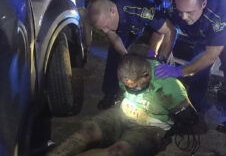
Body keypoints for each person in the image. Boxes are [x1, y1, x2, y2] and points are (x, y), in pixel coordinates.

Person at [47, 44, 198, 156]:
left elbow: (190, 118)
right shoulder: (127, 71)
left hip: (150, 127)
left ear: (146, 75)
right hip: (123, 113)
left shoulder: (169, 86)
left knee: (118, 152)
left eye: (135, 86)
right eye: (127, 86)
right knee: (87, 132)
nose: (130, 89)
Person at [155, 0, 226, 132]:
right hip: (202, 36)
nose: (183, 17)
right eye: (180, 11)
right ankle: (194, 115)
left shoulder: (218, 18)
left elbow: (211, 55)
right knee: (198, 74)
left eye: (189, 12)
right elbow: (165, 30)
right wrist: (159, 56)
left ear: (203, 4)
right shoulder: (176, 7)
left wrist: (179, 71)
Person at [87, 0, 176, 109]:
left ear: (113, 11)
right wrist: (126, 57)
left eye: (106, 26)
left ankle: (165, 98)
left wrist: (159, 58)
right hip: (123, 25)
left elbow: (168, 31)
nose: (105, 31)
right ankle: (111, 93)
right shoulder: (105, 12)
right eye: (101, 29)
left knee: (160, 61)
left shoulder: (142, 9)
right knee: (115, 55)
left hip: (142, 21)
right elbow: (113, 37)